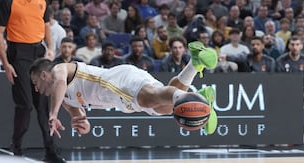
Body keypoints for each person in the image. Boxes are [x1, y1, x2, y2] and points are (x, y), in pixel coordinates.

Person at [29, 41, 219, 138]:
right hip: (116, 94)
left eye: (36, 83)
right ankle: (194, 64)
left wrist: (52, 114)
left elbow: (60, 83)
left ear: (44, 75)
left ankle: (191, 98)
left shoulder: (58, 69)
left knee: (152, 98)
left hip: (113, 83)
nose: (37, 89)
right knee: (163, 107)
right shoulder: (63, 99)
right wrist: (82, 126)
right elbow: (80, 118)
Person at [0, 0, 65, 162]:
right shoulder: (7, 0)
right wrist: (6, 63)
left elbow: (46, 25)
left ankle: (51, 151)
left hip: (39, 53)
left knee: (43, 105)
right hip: (19, 53)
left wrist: (50, 49)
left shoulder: (41, 1)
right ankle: (16, 146)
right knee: (25, 104)